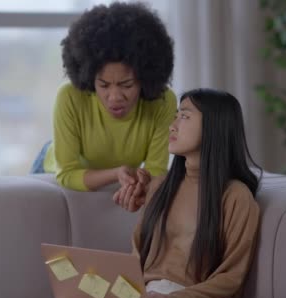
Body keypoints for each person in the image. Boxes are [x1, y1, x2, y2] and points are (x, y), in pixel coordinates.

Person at [19, 88, 262, 298]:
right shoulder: (160, 187)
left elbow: (232, 278)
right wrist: (106, 289)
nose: (173, 125)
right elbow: (137, 257)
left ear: (215, 126)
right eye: (175, 115)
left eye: (185, 117)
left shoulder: (236, 196)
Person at [30, 2, 176, 192]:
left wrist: (136, 183)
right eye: (104, 85)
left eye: (127, 85)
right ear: (90, 78)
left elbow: (155, 172)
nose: (114, 97)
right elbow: (67, 173)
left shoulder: (163, 102)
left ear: (145, 78)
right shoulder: (69, 96)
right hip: (53, 170)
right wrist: (116, 173)